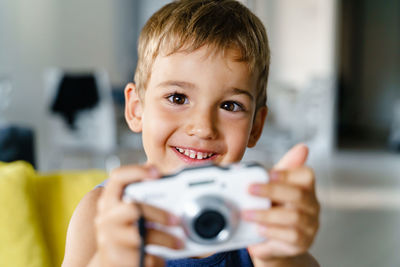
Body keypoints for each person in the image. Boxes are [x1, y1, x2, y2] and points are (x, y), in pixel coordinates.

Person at [62, 0, 320, 266]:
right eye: (177, 98)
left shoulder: (259, 218)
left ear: (255, 126)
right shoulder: (103, 214)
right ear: (137, 109)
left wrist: (279, 258)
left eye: (230, 106)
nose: (203, 127)